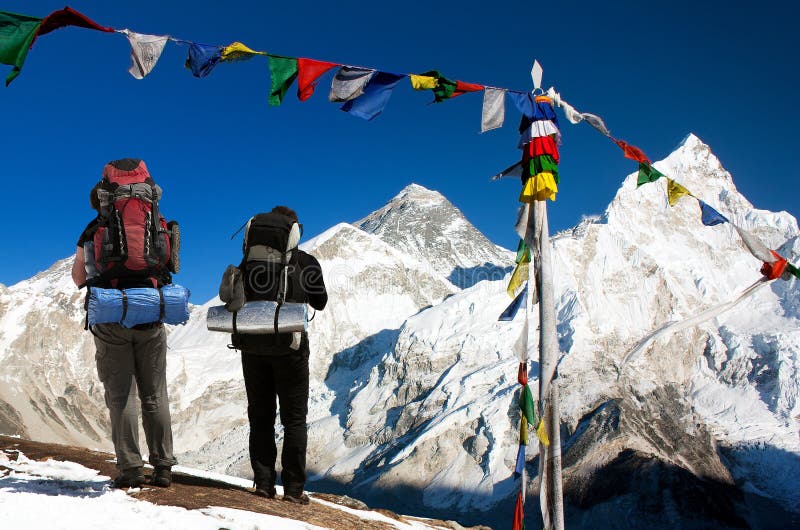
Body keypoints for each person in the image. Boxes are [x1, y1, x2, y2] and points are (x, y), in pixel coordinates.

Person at [71, 158, 177, 489]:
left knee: (121, 396)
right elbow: (171, 265)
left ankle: (131, 469)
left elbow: (77, 277)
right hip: (150, 312)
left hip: (110, 314)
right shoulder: (157, 222)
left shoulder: (93, 230)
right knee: (155, 394)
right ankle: (162, 468)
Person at [223, 205, 327, 504]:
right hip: (290, 348)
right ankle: (294, 491)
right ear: (294, 232)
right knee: (294, 420)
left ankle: (263, 484)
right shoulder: (305, 262)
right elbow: (320, 302)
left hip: (252, 347)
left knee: (260, 416)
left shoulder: (248, 262)